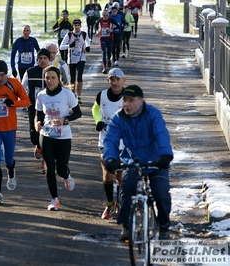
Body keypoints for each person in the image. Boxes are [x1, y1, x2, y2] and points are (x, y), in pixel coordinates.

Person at [103, 85, 173, 241]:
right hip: (132, 161)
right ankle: (127, 226)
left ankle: (163, 226)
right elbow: (111, 139)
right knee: (126, 187)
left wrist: (166, 155)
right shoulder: (118, 118)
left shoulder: (153, 114)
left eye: (131, 101)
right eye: (125, 100)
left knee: (161, 193)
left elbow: (161, 134)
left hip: (155, 161)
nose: (126, 104)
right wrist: (110, 158)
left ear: (141, 101)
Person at [0, 60, 30, 204]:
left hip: (9, 129)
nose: (0, 78)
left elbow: (27, 101)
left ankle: (11, 171)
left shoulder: (14, 84)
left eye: (2, 75)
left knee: (8, 160)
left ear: (6, 74)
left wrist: (13, 103)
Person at [35, 66, 82, 211]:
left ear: (58, 78)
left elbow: (78, 113)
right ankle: (54, 199)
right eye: (47, 78)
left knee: (60, 169)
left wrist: (64, 120)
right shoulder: (41, 95)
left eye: (53, 78)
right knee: (49, 169)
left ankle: (66, 175)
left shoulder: (67, 94)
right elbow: (39, 114)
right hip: (47, 135)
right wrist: (37, 122)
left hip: (63, 136)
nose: (50, 81)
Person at [92, 68, 126, 219]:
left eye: (118, 79)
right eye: (112, 79)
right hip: (105, 140)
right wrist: (98, 121)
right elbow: (95, 108)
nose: (115, 82)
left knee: (120, 176)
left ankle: (119, 205)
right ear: (108, 81)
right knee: (107, 173)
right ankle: (109, 205)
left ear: (124, 80)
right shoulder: (102, 95)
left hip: (124, 144)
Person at [21, 49, 51, 174]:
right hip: (34, 108)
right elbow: (22, 88)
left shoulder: (53, 72)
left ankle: (45, 162)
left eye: (45, 58)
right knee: (34, 136)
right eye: (40, 58)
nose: (43, 60)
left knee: (48, 136)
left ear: (49, 60)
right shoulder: (30, 72)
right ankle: (38, 145)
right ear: (37, 60)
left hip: (50, 109)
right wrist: (25, 100)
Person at [59, 18, 91, 104]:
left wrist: (87, 47)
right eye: (75, 25)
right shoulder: (69, 35)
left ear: (80, 26)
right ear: (73, 26)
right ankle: (72, 96)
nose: (77, 27)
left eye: (78, 25)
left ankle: (79, 95)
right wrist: (69, 45)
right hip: (71, 59)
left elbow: (87, 42)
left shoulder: (84, 34)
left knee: (79, 77)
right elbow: (61, 47)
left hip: (81, 58)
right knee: (72, 78)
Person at [96, 10, 120, 74]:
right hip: (102, 38)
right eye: (104, 15)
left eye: (106, 15)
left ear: (108, 15)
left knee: (109, 52)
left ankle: (109, 59)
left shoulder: (110, 20)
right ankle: (104, 67)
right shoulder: (100, 20)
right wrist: (97, 31)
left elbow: (118, 26)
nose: (105, 16)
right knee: (104, 52)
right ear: (102, 15)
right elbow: (95, 26)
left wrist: (112, 30)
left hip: (109, 38)